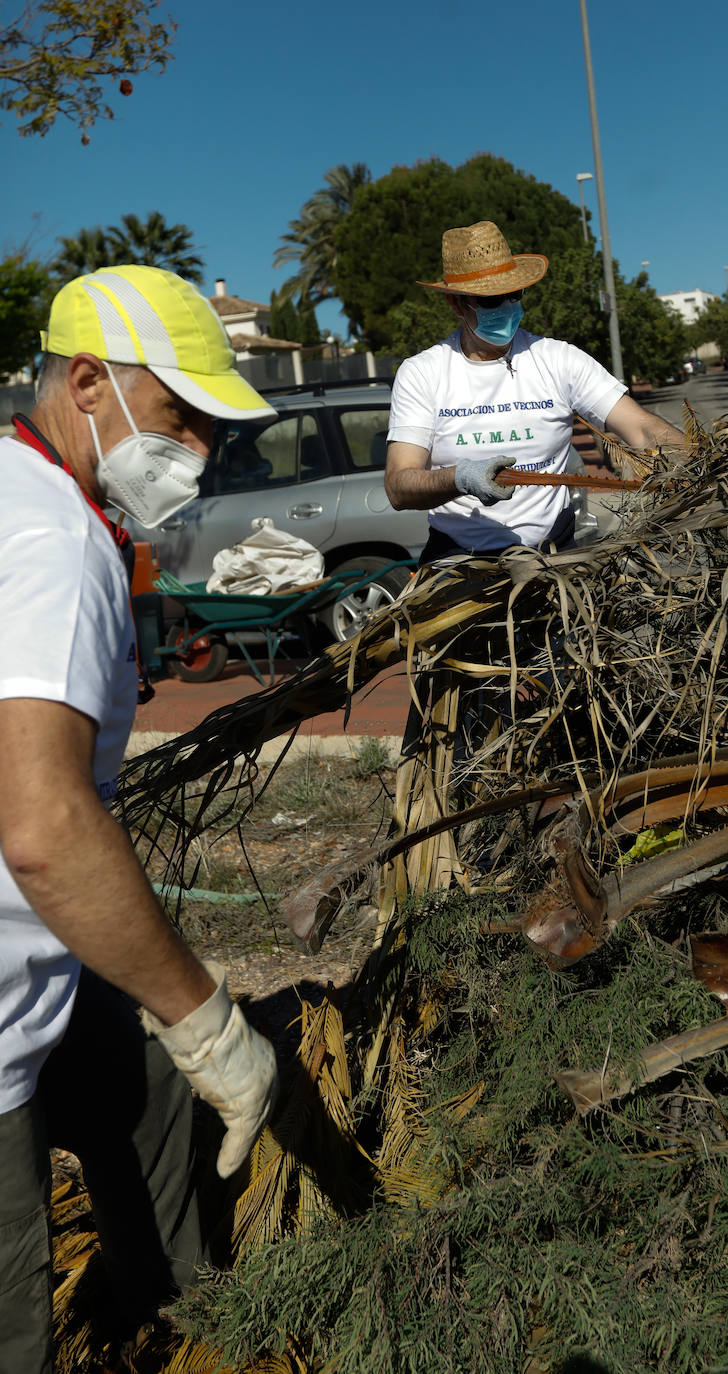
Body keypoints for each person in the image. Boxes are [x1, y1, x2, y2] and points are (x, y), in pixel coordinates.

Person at [0, 265, 280, 1371]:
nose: (199, 453)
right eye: (179, 417)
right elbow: (47, 829)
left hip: (45, 959)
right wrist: (204, 1017)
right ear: (84, 383)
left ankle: (178, 1317)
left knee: (147, 1100)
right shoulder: (53, 543)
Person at [385, 220, 685, 563]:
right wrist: (460, 478)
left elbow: (642, 427)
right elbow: (399, 485)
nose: (509, 306)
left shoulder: (558, 359)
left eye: (515, 294)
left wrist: (702, 458)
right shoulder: (423, 373)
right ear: (456, 304)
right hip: (459, 563)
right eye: (493, 299)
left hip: (554, 561)